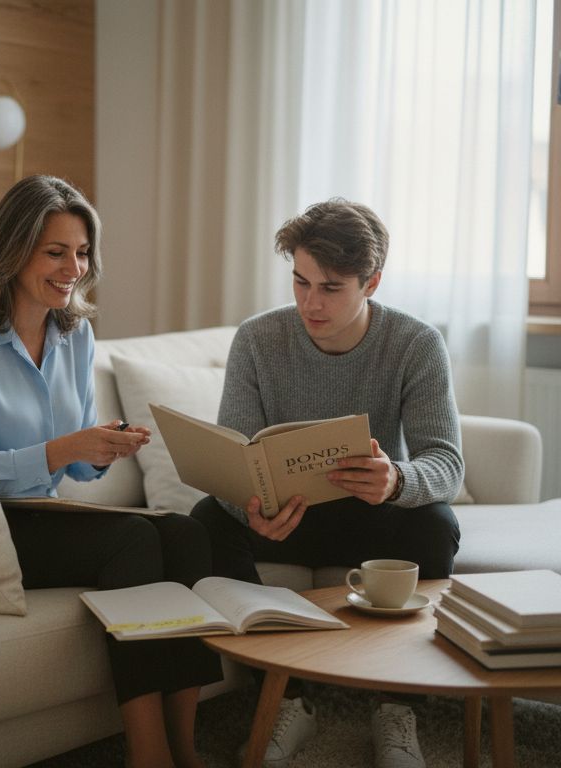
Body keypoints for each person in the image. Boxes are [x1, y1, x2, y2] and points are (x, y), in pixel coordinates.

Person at [0, 175, 221, 768]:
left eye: (81, 253)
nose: (73, 267)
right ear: (13, 250)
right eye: (55, 252)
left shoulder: (75, 333)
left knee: (187, 532)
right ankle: (149, 754)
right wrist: (65, 449)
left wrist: (102, 446)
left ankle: (186, 746)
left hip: (48, 514)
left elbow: (77, 467)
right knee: (134, 538)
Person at [190, 199, 463, 768]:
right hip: (284, 520)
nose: (310, 302)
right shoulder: (257, 340)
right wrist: (249, 508)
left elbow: (447, 465)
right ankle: (289, 697)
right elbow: (231, 462)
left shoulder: (414, 344)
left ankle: (396, 705)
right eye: (300, 281)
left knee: (437, 522)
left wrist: (396, 480)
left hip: (373, 517)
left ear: (372, 282)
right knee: (206, 521)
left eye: (331, 288)